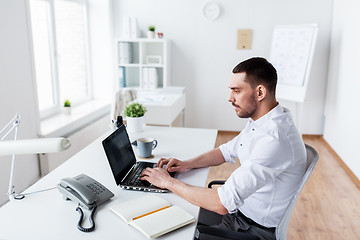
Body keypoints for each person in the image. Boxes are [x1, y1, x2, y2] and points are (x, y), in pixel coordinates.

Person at [141, 57, 306, 240]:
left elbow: (222, 203)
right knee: (169, 212)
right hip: (238, 215)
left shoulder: (274, 138)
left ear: (260, 92)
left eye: (237, 91)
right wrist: (187, 164)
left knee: (170, 230)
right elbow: (226, 151)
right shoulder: (263, 121)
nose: (230, 98)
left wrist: (168, 182)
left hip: (253, 231)